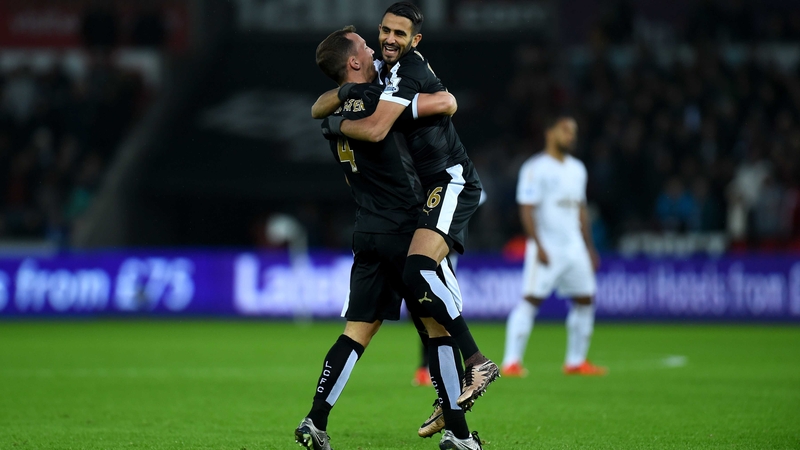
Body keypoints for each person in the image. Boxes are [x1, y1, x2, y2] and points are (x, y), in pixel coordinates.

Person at [314, 4, 498, 445]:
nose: (389, 39)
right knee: (423, 301)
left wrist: (337, 124)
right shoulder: (382, 67)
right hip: (428, 191)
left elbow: (431, 108)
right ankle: (455, 418)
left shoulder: (408, 70)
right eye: (384, 31)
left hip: (452, 180)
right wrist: (336, 105)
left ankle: (477, 361)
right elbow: (319, 102)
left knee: (419, 271)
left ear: (416, 40)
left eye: (400, 33)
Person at [501, 116, 607, 378]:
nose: (570, 136)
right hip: (546, 246)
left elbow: (581, 210)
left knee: (585, 299)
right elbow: (526, 210)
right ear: (550, 133)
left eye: (573, 132)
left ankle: (575, 361)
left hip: (575, 247)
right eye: (565, 130)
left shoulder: (577, 169)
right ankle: (511, 361)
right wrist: (537, 245)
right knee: (531, 299)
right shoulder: (535, 168)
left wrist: (589, 247)